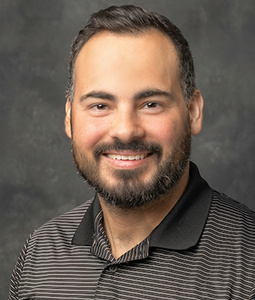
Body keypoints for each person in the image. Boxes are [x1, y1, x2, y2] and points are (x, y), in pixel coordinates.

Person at [9, 5, 255, 300]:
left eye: (151, 103)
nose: (125, 130)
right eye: (100, 105)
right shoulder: (41, 253)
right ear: (69, 117)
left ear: (193, 111)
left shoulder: (248, 266)